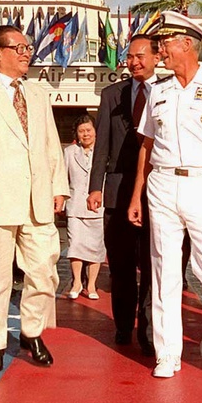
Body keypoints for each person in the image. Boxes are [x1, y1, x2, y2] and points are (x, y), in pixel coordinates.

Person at [128, 11, 202, 378]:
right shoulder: (159, 91)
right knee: (163, 268)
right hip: (162, 183)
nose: (160, 50)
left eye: (165, 43)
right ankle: (168, 353)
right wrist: (136, 194)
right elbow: (147, 146)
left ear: (187, 44)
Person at [0, 25, 68, 373]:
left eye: (27, 47)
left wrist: (59, 186)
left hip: (38, 198)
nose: (26, 53)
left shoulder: (37, 94)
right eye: (18, 47)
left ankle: (32, 331)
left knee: (44, 270)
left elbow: (51, 143)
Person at [88, 35, 159, 354]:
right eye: (130, 57)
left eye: (140, 56)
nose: (134, 62)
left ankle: (148, 328)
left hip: (156, 186)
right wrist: (95, 186)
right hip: (118, 187)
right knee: (120, 262)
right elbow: (101, 144)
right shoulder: (112, 94)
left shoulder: (168, 92)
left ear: (156, 57)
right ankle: (123, 324)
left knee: (153, 262)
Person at [63, 114, 106, 299]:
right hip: (75, 207)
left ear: (95, 132)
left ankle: (92, 285)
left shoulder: (104, 152)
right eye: (82, 131)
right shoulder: (69, 152)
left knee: (96, 247)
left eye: (88, 130)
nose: (85, 134)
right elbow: (63, 178)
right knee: (75, 245)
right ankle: (77, 282)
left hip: (97, 208)